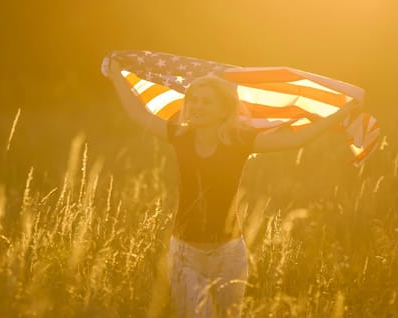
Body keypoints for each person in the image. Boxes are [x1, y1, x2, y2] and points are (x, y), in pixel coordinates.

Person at [105, 58, 361, 317]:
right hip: (184, 253)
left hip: (229, 254)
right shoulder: (180, 136)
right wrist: (117, 74)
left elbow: (297, 140)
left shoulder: (239, 141)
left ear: (224, 109)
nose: (197, 106)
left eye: (206, 102)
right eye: (193, 100)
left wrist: (343, 112)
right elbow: (139, 114)